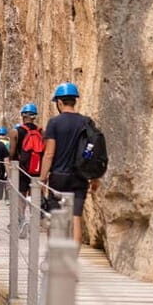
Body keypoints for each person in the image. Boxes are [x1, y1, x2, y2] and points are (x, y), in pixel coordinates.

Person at [40, 83, 101, 244]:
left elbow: (49, 153)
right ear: (75, 101)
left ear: (59, 103)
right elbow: (93, 150)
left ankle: (55, 258)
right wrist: (95, 177)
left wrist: (42, 178)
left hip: (58, 177)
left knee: (55, 217)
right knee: (76, 218)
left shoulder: (54, 123)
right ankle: (73, 259)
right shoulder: (86, 122)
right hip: (79, 176)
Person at [11, 104, 45, 237]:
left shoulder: (16, 132)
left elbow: (12, 152)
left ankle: (21, 220)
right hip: (37, 169)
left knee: (21, 195)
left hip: (22, 168)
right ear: (34, 116)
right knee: (35, 195)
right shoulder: (42, 132)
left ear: (22, 116)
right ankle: (35, 222)